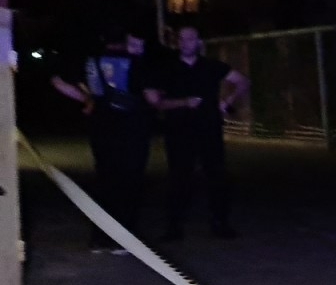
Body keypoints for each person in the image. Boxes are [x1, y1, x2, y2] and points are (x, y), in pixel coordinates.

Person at [51, 25, 162, 253]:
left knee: (105, 180)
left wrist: (86, 99)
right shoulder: (138, 62)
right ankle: (123, 239)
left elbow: (58, 81)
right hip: (133, 129)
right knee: (129, 182)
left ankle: (99, 238)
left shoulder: (91, 61)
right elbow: (152, 98)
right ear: (126, 40)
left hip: (101, 127)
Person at [156, 24, 249, 240]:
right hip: (178, 130)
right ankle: (174, 226)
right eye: (181, 39)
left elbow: (242, 81)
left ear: (198, 42)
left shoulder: (211, 66)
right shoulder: (168, 68)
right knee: (179, 177)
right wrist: (183, 102)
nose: (185, 43)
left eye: (190, 39)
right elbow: (158, 101)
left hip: (208, 128)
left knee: (216, 175)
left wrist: (227, 102)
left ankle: (220, 222)